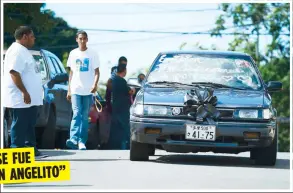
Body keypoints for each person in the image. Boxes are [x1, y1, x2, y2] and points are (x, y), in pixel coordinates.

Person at [2, 26, 47, 158]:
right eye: (32, 36)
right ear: (25, 36)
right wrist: (24, 92)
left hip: (29, 98)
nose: (34, 39)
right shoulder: (17, 51)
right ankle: (17, 151)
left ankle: (31, 150)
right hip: (20, 97)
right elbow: (14, 72)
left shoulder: (23, 51)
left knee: (28, 124)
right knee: (20, 124)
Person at [66, 30, 100, 150]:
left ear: (87, 40)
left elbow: (97, 72)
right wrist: (69, 89)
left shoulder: (92, 53)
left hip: (87, 90)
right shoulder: (73, 53)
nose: (82, 40)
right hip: (75, 88)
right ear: (77, 39)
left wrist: (94, 85)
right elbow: (71, 73)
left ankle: (82, 141)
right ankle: (73, 138)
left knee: (84, 115)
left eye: (84, 38)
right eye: (80, 38)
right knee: (76, 113)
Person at [109, 63, 135, 149]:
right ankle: (125, 146)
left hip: (115, 107)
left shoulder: (113, 80)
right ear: (124, 71)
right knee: (125, 127)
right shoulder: (122, 81)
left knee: (116, 128)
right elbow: (129, 92)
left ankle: (115, 146)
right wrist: (133, 90)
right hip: (123, 108)